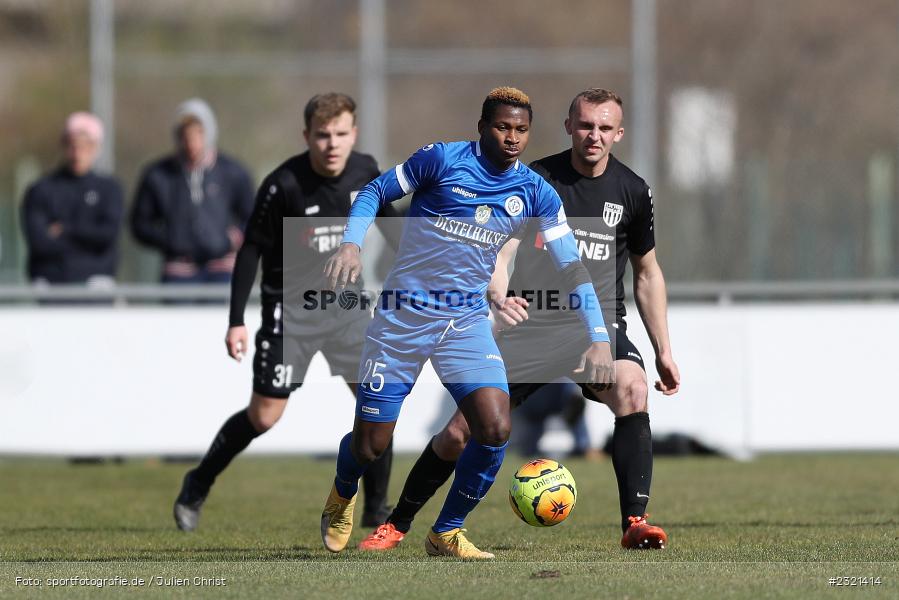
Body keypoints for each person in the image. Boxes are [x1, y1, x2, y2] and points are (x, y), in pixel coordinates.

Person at [358, 88, 680, 552]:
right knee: (460, 431)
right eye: (586, 125)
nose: (594, 136)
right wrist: (499, 294)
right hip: (529, 324)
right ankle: (399, 522)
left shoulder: (633, 191)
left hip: (594, 327)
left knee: (632, 389)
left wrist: (663, 349)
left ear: (619, 133)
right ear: (569, 126)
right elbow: (501, 250)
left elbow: (648, 273)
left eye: (605, 128)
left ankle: (635, 521)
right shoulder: (534, 179)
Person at [320, 87, 614, 559]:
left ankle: (446, 532)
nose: (512, 138)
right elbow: (375, 190)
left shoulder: (535, 191)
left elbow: (572, 266)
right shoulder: (441, 159)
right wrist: (352, 243)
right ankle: (341, 492)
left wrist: (599, 337)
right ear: (482, 127)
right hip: (402, 317)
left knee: (495, 427)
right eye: (503, 127)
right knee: (372, 445)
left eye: (521, 130)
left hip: (464, 322)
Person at [173, 93, 398, 532]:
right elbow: (251, 249)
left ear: (353, 134)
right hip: (290, 313)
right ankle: (197, 482)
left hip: (348, 308)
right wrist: (236, 319)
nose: (331, 144)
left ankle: (376, 510)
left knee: (378, 405)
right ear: (306, 136)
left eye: (340, 134)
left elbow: (394, 231)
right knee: (264, 416)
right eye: (322, 135)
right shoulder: (284, 183)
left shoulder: (367, 172)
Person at [131, 98, 254, 284]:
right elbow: (139, 223)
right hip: (177, 272)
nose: (192, 143)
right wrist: (171, 240)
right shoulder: (158, 175)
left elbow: (255, 218)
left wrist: (229, 240)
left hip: (222, 271)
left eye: (199, 133)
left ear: (210, 133)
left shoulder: (233, 172)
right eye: (185, 135)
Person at [21, 112, 123, 288]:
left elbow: (107, 235)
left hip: (95, 282)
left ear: (96, 147)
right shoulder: (41, 189)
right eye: (73, 145)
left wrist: (66, 230)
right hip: (50, 280)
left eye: (86, 146)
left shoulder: (109, 189)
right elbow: (39, 241)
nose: (78, 153)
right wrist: (87, 239)